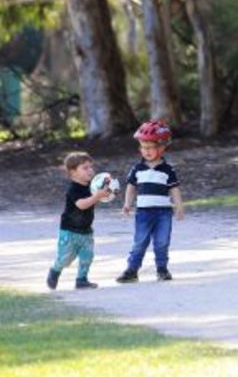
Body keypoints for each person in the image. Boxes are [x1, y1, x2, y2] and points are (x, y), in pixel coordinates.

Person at [117, 120, 185, 283]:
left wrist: (179, 206)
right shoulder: (137, 169)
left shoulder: (168, 170)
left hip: (163, 213)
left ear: (161, 147)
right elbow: (131, 187)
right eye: (142, 147)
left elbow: (174, 189)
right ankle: (132, 270)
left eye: (149, 147)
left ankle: (162, 270)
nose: (145, 151)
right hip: (144, 213)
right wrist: (127, 204)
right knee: (140, 242)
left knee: (162, 242)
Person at [46, 152, 110, 290]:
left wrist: (103, 195)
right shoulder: (73, 189)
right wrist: (97, 196)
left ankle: (81, 279)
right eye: (85, 168)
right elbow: (81, 204)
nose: (90, 170)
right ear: (73, 172)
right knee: (66, 258)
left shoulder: (92, 187)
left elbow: (92, 203)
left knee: (88, 255)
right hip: (69, 231)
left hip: (86, 230)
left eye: (91, 167)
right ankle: (55, 270)